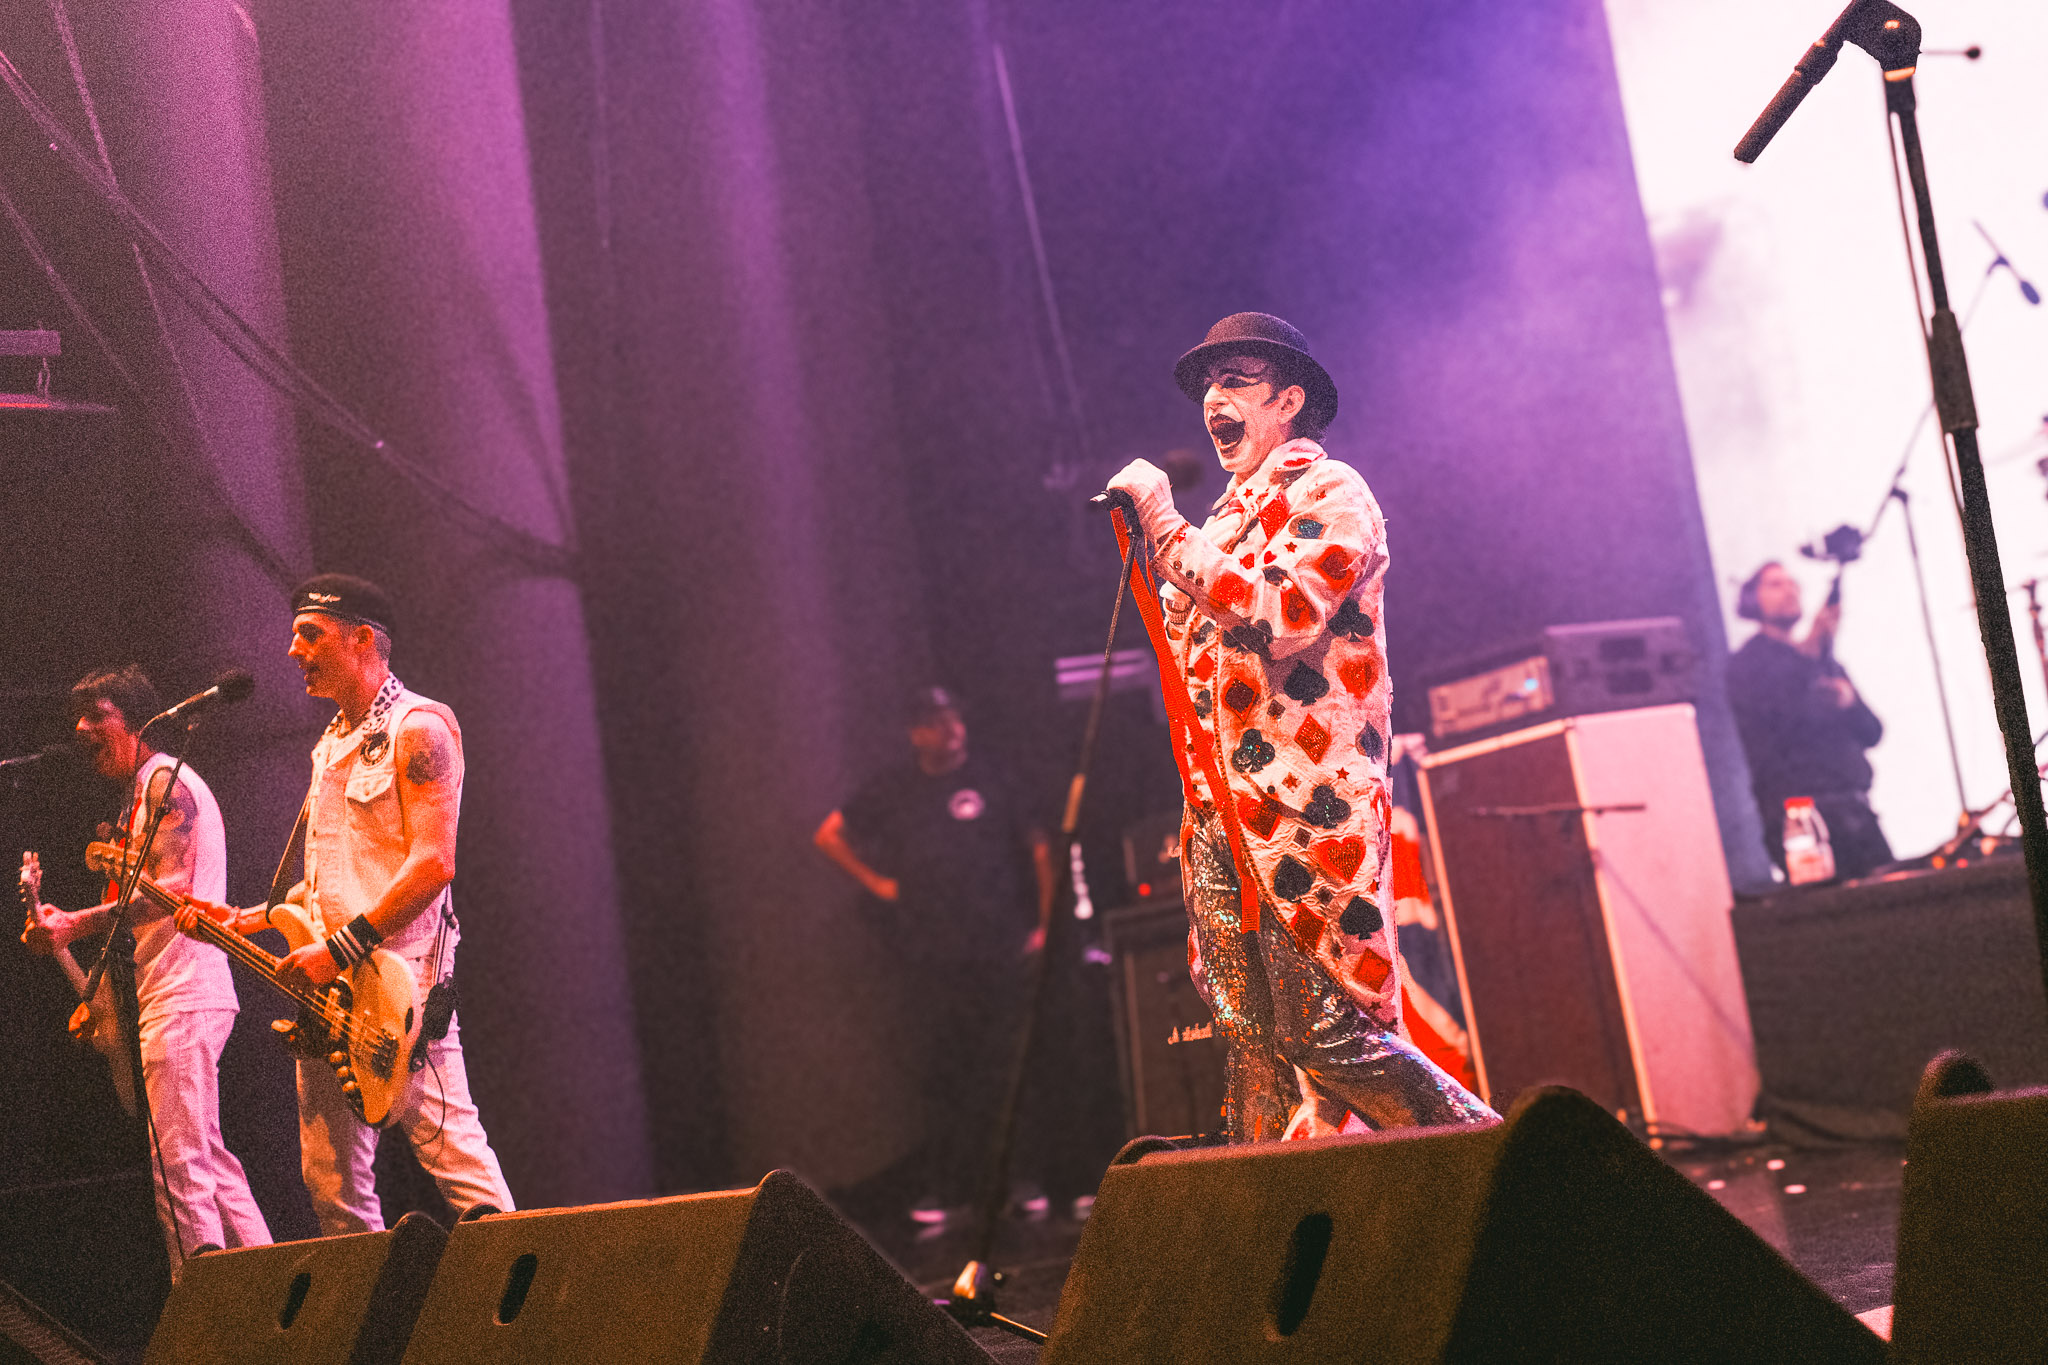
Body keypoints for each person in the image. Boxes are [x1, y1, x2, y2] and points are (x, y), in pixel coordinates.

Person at [1104, 311, 1495, 1142]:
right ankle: (1277, 1212)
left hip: (1304, 807)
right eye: (1208, 386)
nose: (1214, 399)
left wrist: (1166, 530)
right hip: (1219, 815)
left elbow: (1282, 614)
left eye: (1235, 381)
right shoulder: (1220, 525)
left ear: (1287, 401)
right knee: (1251, 1046)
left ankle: (1511, 1161)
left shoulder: (1332, 492)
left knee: (1329, 1035)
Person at [176, 575, 512, 1232]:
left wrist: (338, 950)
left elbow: (433, 864)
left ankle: (533, 1287)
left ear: (361, 639)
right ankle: (385, 1296)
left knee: (455, 1158)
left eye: (310, 634)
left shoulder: (421, 727)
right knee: (331, 1183)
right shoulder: (330, 742)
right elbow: (331, 875)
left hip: (399, 980)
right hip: (331, 988)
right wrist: (246, 918)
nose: (293, 650)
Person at [22, 666, 272, 1271]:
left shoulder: (164, 780)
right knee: (208, 1161)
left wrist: (75, 924)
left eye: (96, 714)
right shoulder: (144, 790)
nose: (80, 729)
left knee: (177, 1167)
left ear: (138, 719)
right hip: (176, 991)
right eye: (77, 717)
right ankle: (281, 1286)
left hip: (184, 993)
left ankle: (203, 1308)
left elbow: (174, 890)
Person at [814, 687, 1054, 1225]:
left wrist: (1043, 925)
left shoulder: (993, 778)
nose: (950, 729)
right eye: (936, 721)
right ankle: (949, 1189)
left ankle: (1024, 1181)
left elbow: (1039, 848)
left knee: (1009, 1067)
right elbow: (828, 834)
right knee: (944, 1071)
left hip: (998, 947)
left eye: (954, 718)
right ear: (915, 732)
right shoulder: (895, 789)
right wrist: (878, 884)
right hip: (932, 954)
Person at [1726, 561, 1892, 880]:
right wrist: (1813, 653)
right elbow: (1786, 718)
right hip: (1801, 817)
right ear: (1752, 599)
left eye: (1793, 583)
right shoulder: (1748, 664)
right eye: (1775, 584)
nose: (1789, 590)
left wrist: (1849, 702)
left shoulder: (1823, 662)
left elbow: (1872, 732)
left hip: (1855, 808)